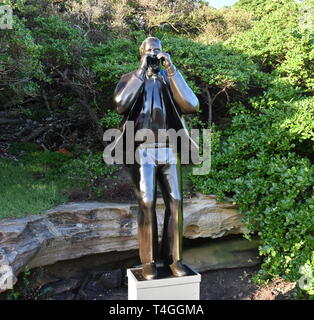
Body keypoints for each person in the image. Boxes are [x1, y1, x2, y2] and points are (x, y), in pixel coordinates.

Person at [113, 36, 199, 280]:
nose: (154, 54)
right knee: (147, 202)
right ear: (142, 53)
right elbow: (120, 104)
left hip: (169, 148)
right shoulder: (131, 78)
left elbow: (191, 105)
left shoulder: (169, 78)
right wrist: (141, 70)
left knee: (176, 202)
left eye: (157, 50)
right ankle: (149, 261)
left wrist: (171, 69)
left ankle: (175, 259)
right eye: (149, 50)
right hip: (142, 150)